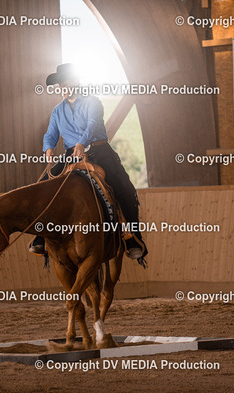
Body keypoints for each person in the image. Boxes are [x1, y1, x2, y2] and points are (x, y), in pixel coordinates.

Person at [29, 64, 147, 262]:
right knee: (42, 186)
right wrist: (48, 148)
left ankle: (133, 238)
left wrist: (81, 143)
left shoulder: (93, 102)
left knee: (125, 188)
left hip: (99, 150)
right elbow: (50, 134)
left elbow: (92, 125)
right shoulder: (57, 111)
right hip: (71, 154)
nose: (61, 87)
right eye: (59, 84)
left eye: (64, 82)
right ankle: (40, 235)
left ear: (75, 82)